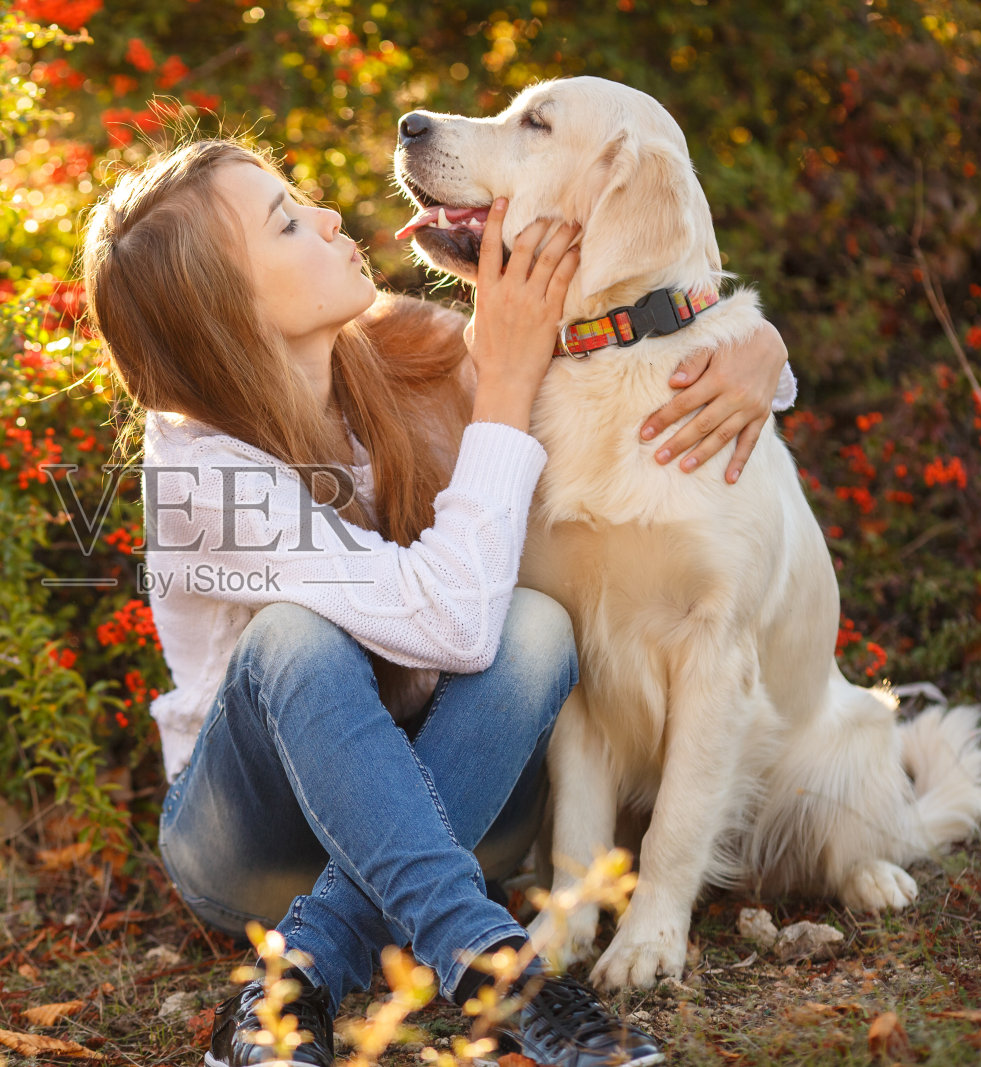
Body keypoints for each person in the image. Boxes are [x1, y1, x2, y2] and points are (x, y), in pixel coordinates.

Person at [80, 139, 791, 1067]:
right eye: (286, 222)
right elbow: (449, 622)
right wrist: (501, 383)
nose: (330, 218)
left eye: (304, 197)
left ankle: (303, 974)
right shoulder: (199, 472)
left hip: (453, 793)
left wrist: (756, 350)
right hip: (254, 836)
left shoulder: (402, 347)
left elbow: (601, 362)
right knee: (299, 637)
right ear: (225, 310)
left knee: (535, 628)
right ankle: (498, 969)